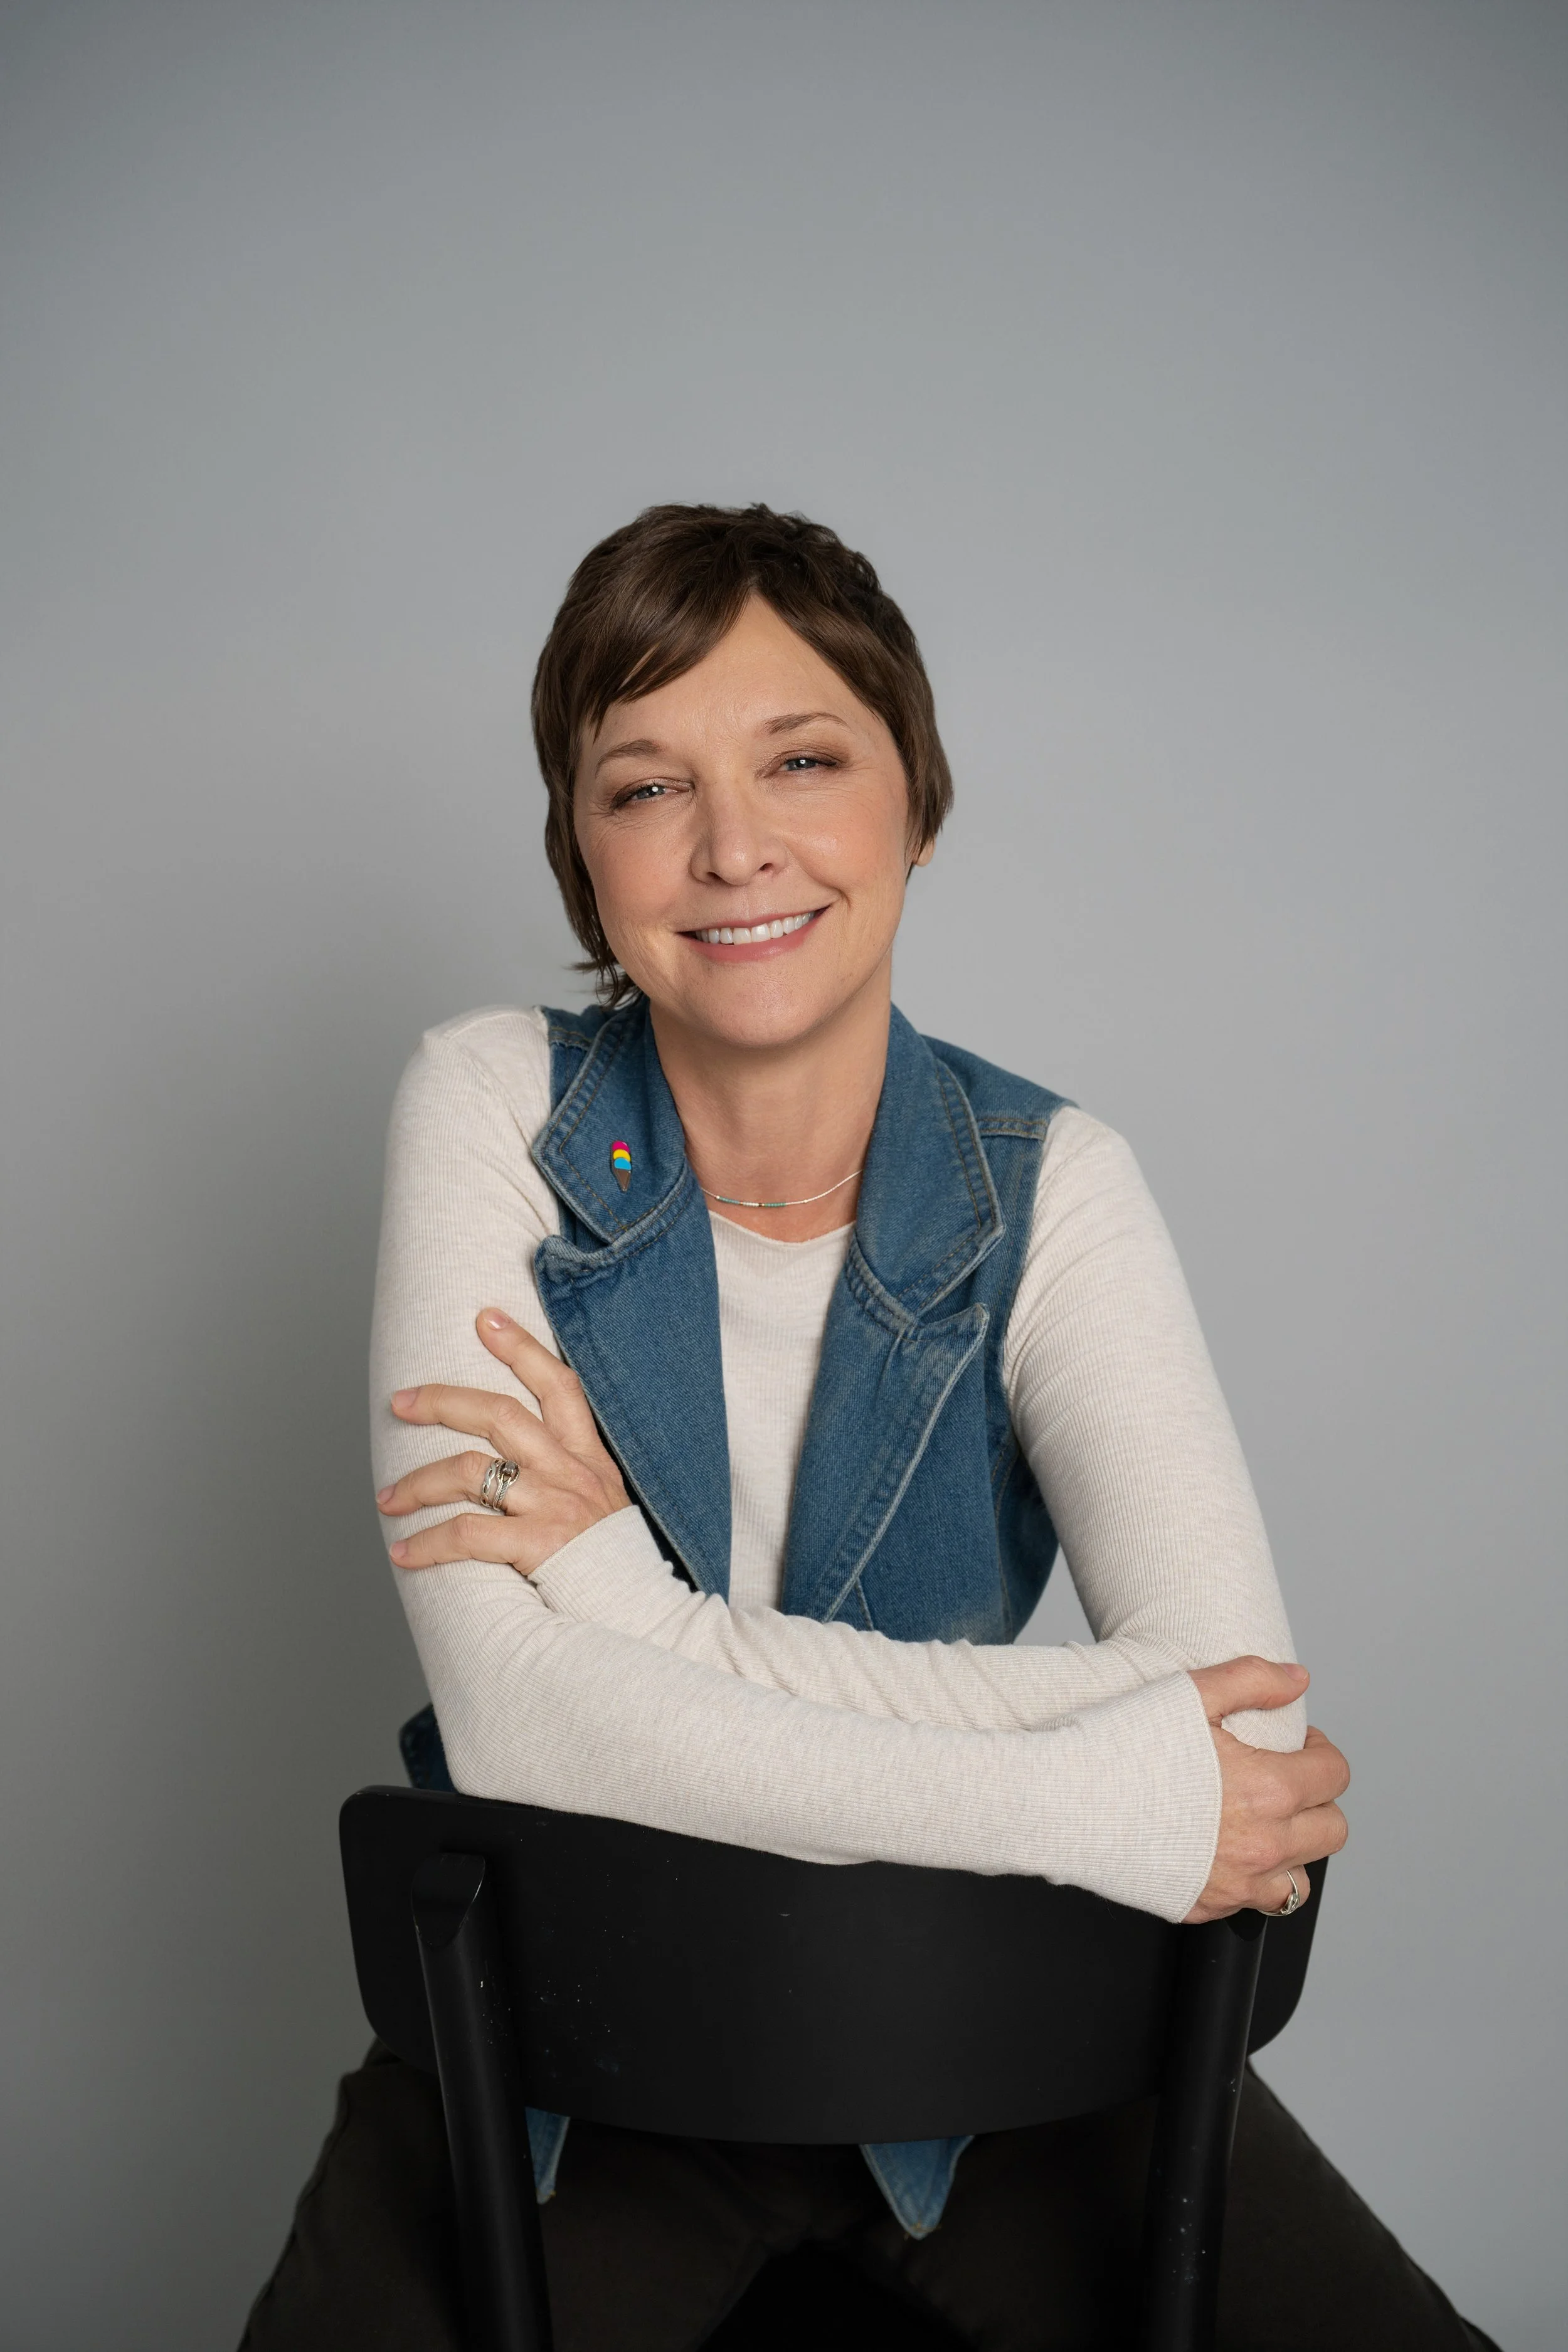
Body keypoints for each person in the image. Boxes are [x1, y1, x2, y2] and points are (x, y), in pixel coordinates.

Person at [242, 505, 1498, 2350]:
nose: (732, 844)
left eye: (803, 759)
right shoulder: (489, 1107)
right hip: (574, 2050)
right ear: (582, 856)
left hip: (982, 2038)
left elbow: (1237, 1735)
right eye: (645, 786)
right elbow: (523, 1725)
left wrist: (622, 1609)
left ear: (917, 793)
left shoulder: (1053, 1187)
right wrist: (1092, 1786)